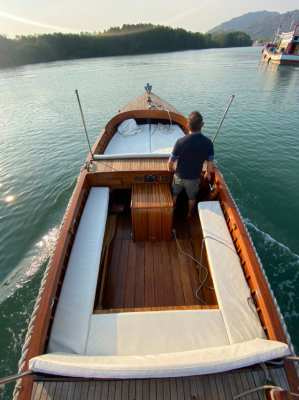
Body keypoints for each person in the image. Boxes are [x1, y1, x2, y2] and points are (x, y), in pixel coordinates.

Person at [168, 111, 214, 218]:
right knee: (191, 198)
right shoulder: (208, 143)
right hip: (193, 179)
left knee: (175, 194)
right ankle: (189, 214)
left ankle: (172, 210)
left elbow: (170, 162)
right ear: (202, 125)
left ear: (188, 125)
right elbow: (210, 163)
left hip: (179, 177)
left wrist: (170, 169)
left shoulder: (180, 142)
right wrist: (207, 173)